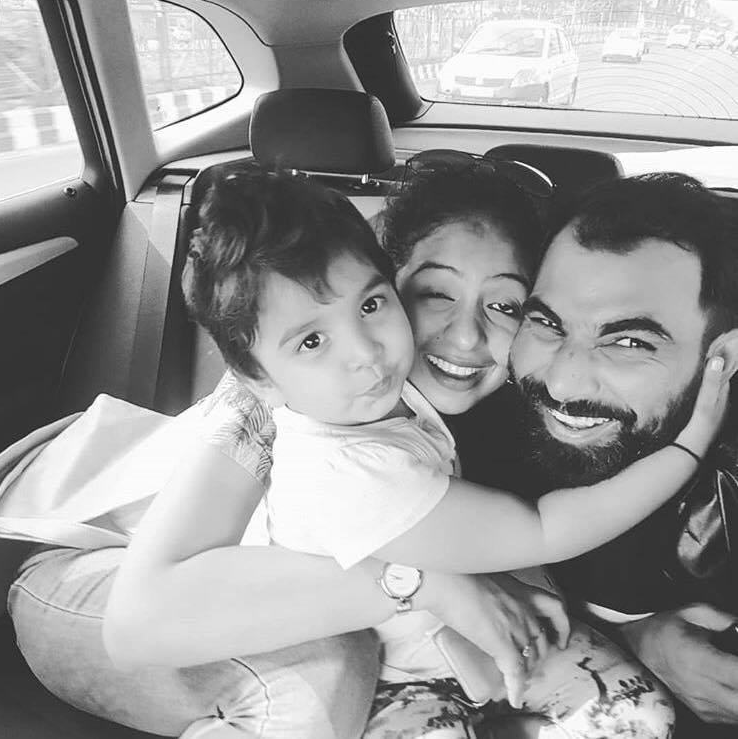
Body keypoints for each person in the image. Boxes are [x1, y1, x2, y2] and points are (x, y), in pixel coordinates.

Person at [109, 168, 729, 738]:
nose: (465, 336)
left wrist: (645, 633)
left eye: (507, 306)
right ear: (396, 275)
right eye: (435, 293)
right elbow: (140, 622)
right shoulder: (278, 400)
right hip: (239, 616)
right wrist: (424, 583)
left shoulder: (528, 390)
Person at [504, 172, 738, 735]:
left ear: (724, 358)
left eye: (629, 342)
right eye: (547, 323)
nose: (562, 383)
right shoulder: (469, 415)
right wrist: (639, 637)